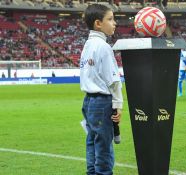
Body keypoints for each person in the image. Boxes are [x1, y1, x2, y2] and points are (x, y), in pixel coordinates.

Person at [80, 4, 123, 175]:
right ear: (98, 23)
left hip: (88, 101)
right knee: (104, 144)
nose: (114, 23)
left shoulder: (88, 45)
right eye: (110, 19)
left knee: (92, 141)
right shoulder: (104, 47)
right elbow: (113, 80)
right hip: (102, 102)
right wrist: (118, 104)